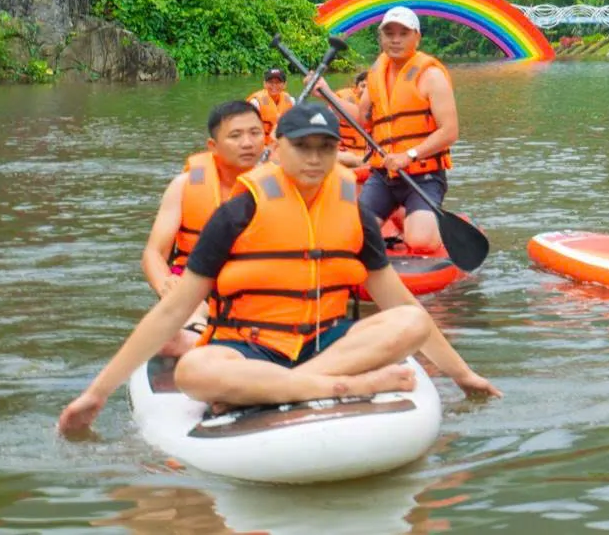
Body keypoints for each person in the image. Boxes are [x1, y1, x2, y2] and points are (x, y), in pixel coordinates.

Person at [57, 102, 497, 435]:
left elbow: (398, 301)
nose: (314, 159)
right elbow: (172, 311)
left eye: (325, 148)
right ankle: (336, 387)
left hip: (329, 343)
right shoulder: (237, 212)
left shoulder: (354, 212)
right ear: (278, 149)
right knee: (193, 371)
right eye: (302, 146)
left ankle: (278, 388)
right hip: (251, 345)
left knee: (411, 319)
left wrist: (464, 376)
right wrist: (97, 393)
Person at [140, 100, 266, 353]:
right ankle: (201, 334)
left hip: (255, 290)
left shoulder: (284, 187)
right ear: (213, 146)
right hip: (196, 289)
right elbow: (154, 253)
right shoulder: (184, 186)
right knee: (168, 337)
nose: (248, 143)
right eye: (235, 135)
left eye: (255, 133)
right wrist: (166, 284)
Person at [335, 6, 458, 256]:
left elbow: (449, 131)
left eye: (403, 33)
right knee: (350, 236)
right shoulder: (375, 75)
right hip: (383, 176)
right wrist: (326, 94)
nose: (395, 39)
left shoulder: (431, 75)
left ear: (417, 37)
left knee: (421, 242)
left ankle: (421, 219)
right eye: (389, 33)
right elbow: (362, 119)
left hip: (423, 177)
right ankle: (404, 214)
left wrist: (409, 155)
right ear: (381, 38)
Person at [247, 67, 295, 131]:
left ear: (284, 84)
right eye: (270, 82)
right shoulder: (255, 103)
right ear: (264, 84)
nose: (274, 85)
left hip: (282, 139)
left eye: (278, 82)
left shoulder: (291, 101)